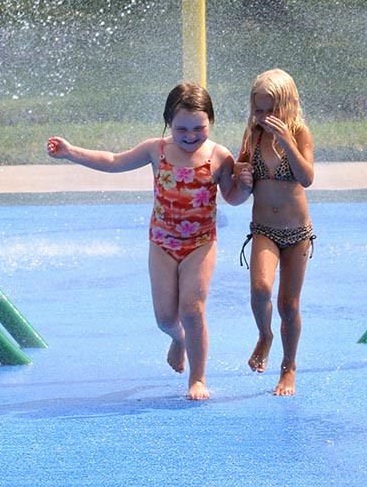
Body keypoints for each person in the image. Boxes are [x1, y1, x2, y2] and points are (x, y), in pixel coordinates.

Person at [47, 82, 251, 400]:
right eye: (182, 128)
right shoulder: (156, 150)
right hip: (162, 243)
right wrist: (72, 152)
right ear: (169, 123)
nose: (190, 135)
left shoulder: (218, 156)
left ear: (211, 121)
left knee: (193, 308)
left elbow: (232, 197)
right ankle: (179, 339)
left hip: (200, 243)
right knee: (166, 318)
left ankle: (197, 378)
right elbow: (113, 161)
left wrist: (246, 187)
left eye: (199, 128)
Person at [234, 69, 315, 396]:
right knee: (260, 290)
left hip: (297, 234)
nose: (264, 117)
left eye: (271, 110)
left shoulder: (300, 134)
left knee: (289, 305)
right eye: (259, 109)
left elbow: (306, 177)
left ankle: (288, 367)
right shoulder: (252, 136)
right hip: (264, 228)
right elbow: (238, 173)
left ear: (288, 106)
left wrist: (286, 142)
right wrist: (241, 173)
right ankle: (264, 335)